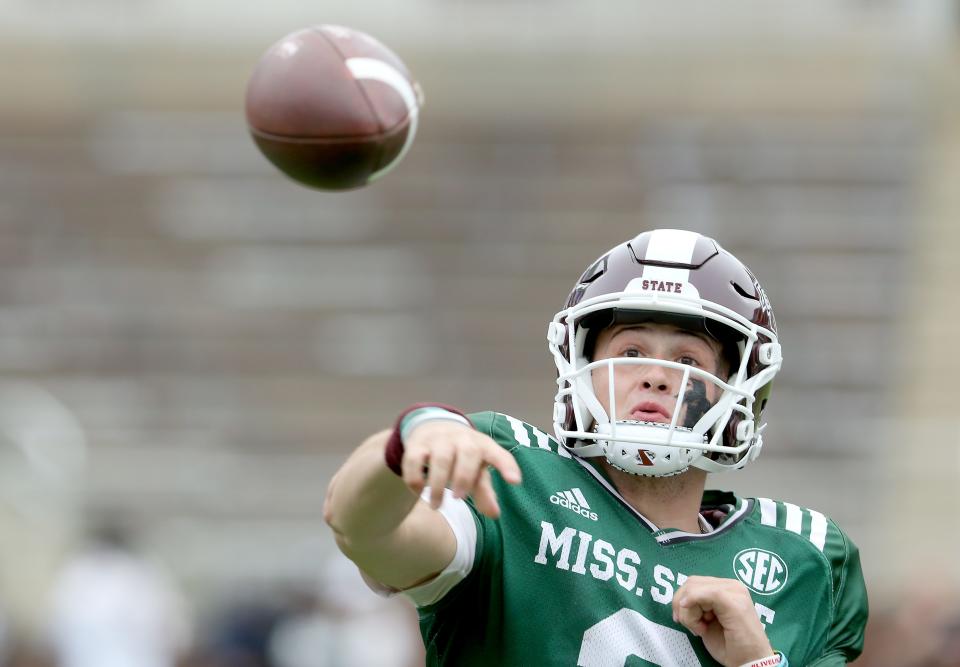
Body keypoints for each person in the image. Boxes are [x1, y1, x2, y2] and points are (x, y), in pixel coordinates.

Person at [324, 228, 868, 666]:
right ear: (582, 369)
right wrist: (406, 443)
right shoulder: (514, 477)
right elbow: (362, 529)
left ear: (740, 390)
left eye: (687, 362)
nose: (655, 376)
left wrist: (757, 665)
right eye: (630, 351)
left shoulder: (808, 561)